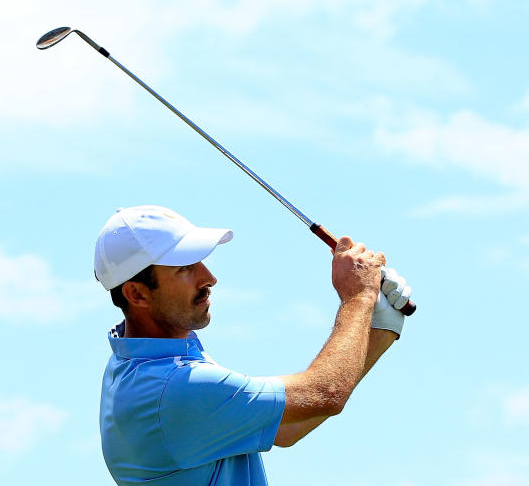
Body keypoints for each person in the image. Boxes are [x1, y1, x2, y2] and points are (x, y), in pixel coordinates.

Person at [95, 205, 412, 486]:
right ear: (137, 295)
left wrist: (381, 327)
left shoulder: (136, 366)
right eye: (185, 268)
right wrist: (359, 297)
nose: (209, 277)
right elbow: (325, 393)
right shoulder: (173, 389)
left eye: (200, 262)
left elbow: (287, 428)